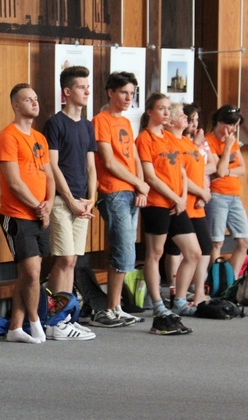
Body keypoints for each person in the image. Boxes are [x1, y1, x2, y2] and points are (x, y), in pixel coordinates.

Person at [0, 83, 57, 344]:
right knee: (31, 272)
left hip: (41, 213)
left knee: (33, 273)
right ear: (16, 105)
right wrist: (38, 206)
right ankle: (35, 323)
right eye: (28, 99)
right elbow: (14, 182)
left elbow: (50, 176)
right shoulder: (8, 136)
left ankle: (14, 328)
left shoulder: (40, 138)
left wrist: (49, 204)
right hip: (18, 214)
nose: (34, 102)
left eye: (36, 98)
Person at [136, 93, 201, 334]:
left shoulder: (170, 138)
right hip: (157, 203)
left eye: (167, 109)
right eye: (161, 109)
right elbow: (150, 176)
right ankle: (158, 305)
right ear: (150, 112)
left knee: (193, 252)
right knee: (155, 254)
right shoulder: (144, 139)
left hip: (176, 203)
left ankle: (181, 301)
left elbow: (182, 172)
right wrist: (174, 198)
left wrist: (182, 198)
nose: (165, 113)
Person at [42, 66, 97, 340]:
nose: (87, 91)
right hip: (64, 202)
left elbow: (91, 167)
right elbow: (52, 165)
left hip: (82, 202)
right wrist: (71, 200)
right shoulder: (55, 123)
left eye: (88, 86)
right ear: (66, 92)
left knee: (73, 260)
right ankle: (53, 319)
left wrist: (91, 199)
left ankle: (64, 316)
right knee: (63, 259)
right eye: (81, 87)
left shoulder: (87, 126)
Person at [90, 72, 148, 328]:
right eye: (124, 92)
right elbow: (109, 161)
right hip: (113, 190)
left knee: (128, 250)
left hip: (132, 189)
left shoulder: (125, 122)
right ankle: (109, 309)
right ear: (111, 92)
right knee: (123, 249)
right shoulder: (100, 121)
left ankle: (116, 306)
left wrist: (141, 186)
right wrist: (138, 183)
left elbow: (134, 156)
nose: (128, 98)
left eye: (132, 94)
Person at [164, 103, 216, 305]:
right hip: (184, 202)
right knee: (183, 250)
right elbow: (182, 175)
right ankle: (178, 292)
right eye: (183, 115)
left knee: (204, 247)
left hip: (198, 203)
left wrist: (205, 193)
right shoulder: (171, 143)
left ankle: (196, 293)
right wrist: (201, 191)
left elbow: (201, 169)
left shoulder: (188, 142)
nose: (187, 119)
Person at [205, 104, 248, 277]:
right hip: (217, 195)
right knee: (216, 242)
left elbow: (242, 168)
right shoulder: (208, 141)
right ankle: (215, 281)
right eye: (230, 124)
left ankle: (229, 281)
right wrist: (226, 149)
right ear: (219, 121)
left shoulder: (232, 142)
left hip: (234, 195)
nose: (232, 129)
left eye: (235, 126)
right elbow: (219, 171)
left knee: (246, 241)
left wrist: (228, 172)